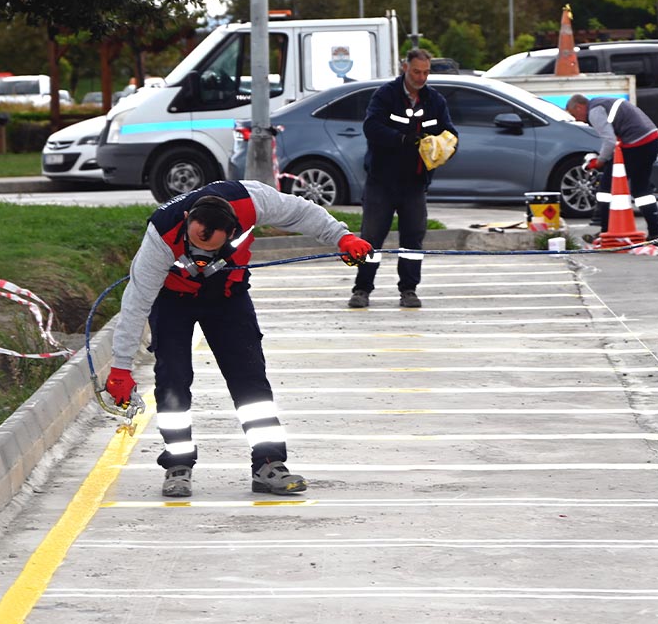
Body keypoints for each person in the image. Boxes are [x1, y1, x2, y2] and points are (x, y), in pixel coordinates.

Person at [104, 180, 373, 497]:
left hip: (228, 294)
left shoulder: (254, 201)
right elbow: (136, 303)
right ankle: (178, 464)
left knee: (249, 378)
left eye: (210, 249)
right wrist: (120, 367)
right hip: (173, 299)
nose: (200, 256)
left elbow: (303, 213)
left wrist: (342, 237)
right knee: (172, 378)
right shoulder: (161, 236)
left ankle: (268, 464)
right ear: (188, 217)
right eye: (194, 244)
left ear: (232, 232)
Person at [347, 48, 458, 309]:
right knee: (371, 238)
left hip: (415, 183)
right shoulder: (386, 96)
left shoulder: (434, 101)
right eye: (417, 71)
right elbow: (371, 128)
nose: (421, 77)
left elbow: (450, 133)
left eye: (426, 72)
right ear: (405, 68)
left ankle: (409, 290)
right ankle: (362, 289)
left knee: (413, 239)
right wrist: (402, 139)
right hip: (382, 182)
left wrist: (446, 148)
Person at [564, 94, 658, 244]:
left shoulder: (594, 111)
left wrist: (600, 161)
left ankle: (605, 233)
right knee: (641, 191)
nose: (577, 119)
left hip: (635, 145)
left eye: (575, 115)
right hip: (651, 141)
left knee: (606, 189)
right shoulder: (604, 102)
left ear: (579, 107)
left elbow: (609, 140)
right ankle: (656, 234)